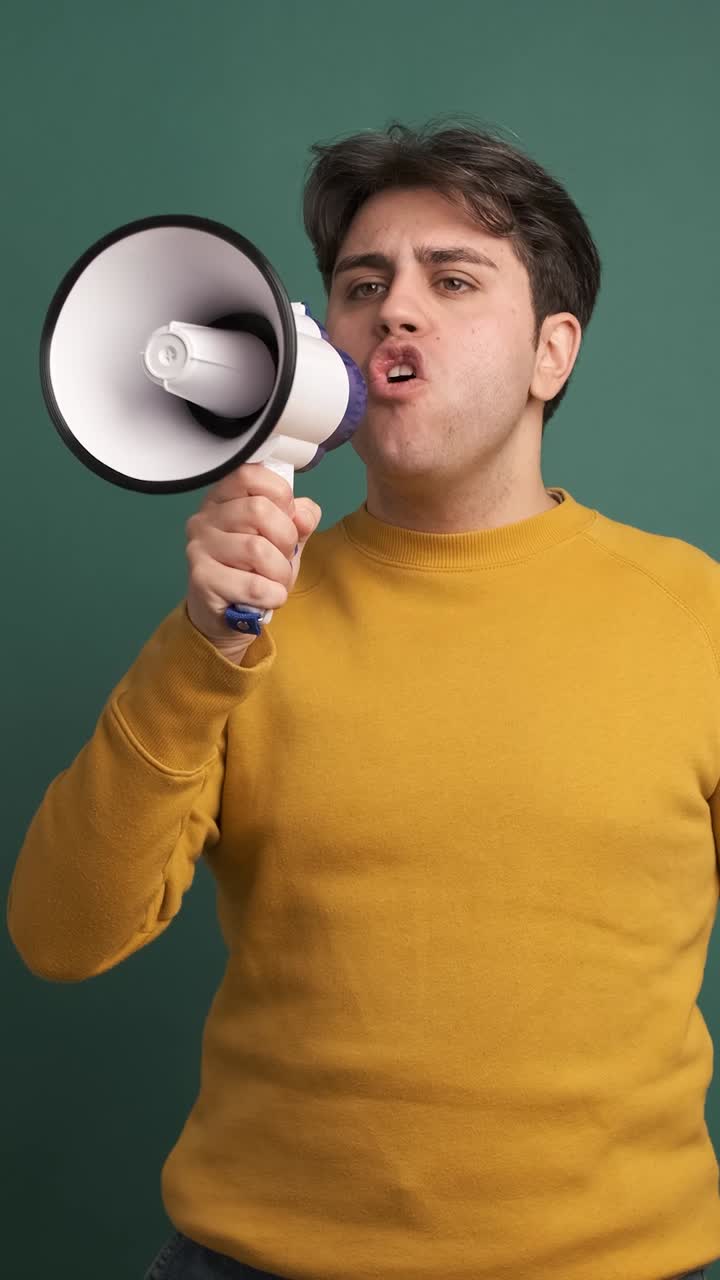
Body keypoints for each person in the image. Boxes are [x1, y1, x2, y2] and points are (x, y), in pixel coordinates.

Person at [7, 120, 720, 1280]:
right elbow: (59, 933)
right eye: (362, 283)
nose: (396, 309)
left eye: (453, 279)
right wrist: (204, 645)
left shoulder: (697, 618)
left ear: (553, 352)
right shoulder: (235, 627)